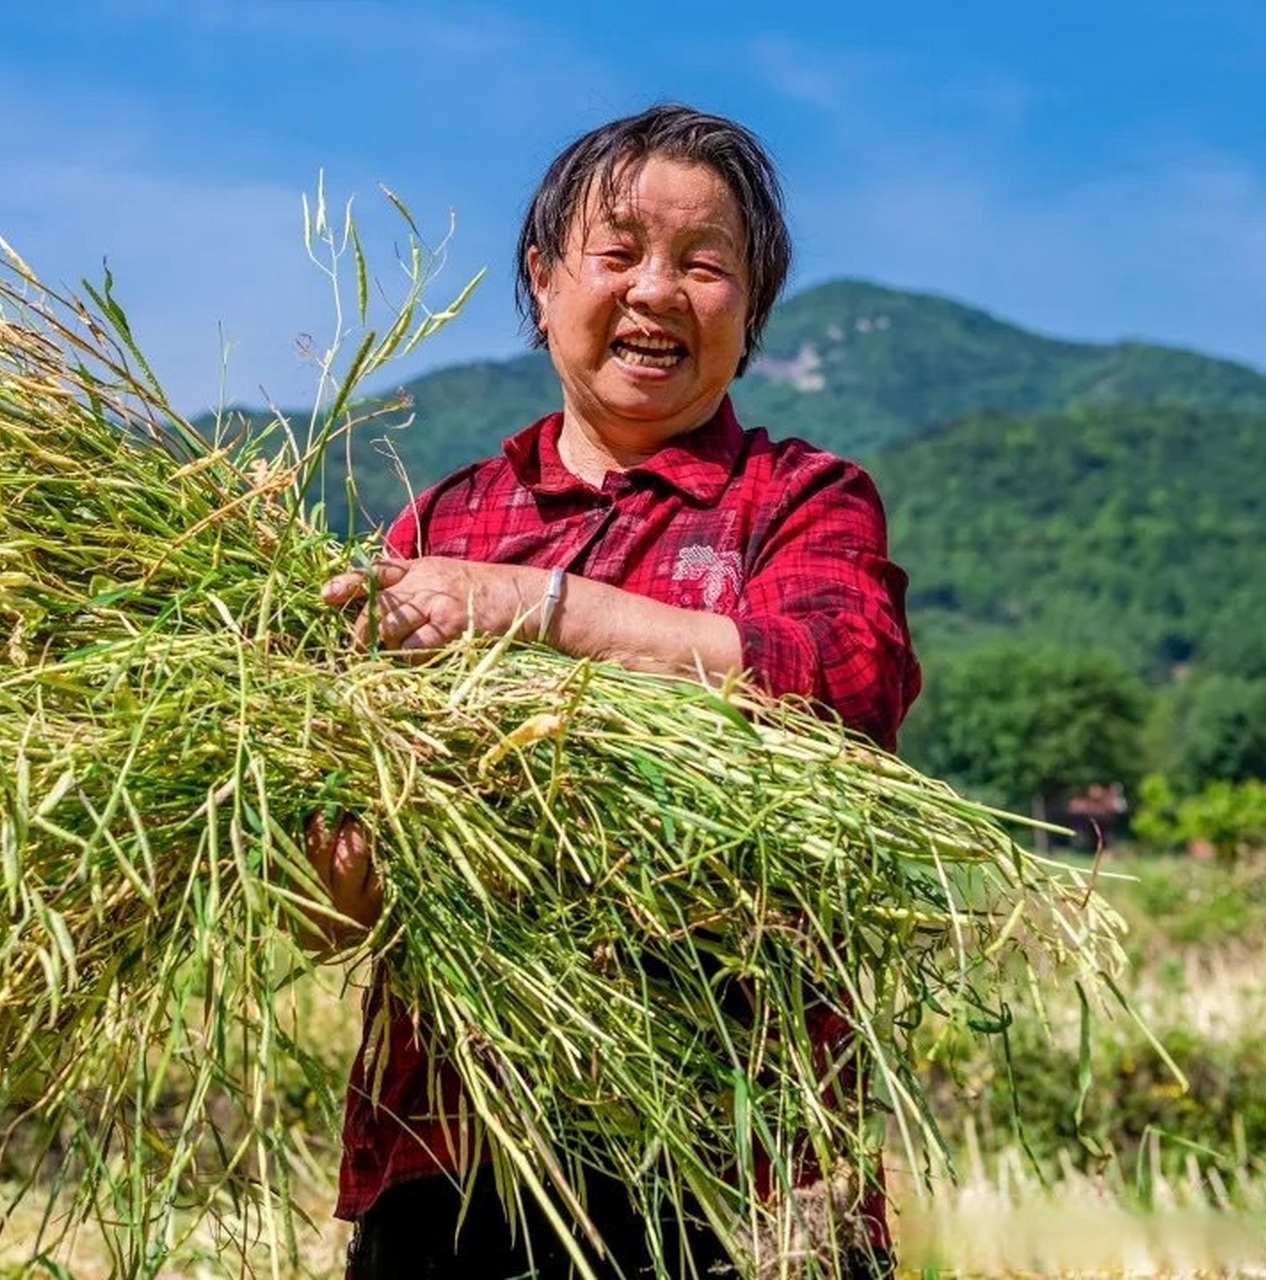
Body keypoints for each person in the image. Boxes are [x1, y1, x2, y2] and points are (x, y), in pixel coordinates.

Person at [307, 103, 921, 1279]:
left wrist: (532, 607)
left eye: (704, 263)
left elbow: (840, 680)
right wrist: (344, 872)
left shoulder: (800, 501)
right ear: (544, 281)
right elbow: (331, 912)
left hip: (732, 1164)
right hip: (452, 1162)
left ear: (751, 307)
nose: (656, 291)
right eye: (620, 251)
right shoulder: (436, 528)